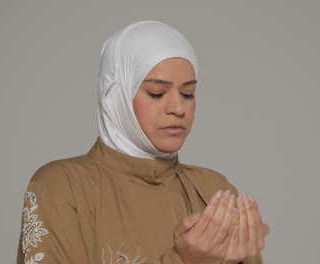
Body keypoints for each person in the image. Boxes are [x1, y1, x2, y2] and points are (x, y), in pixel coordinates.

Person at [16, 21, 270, 264]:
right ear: (116, 94)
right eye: (157, 93)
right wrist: (185, 261)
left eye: (187, 94)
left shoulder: (213, 191)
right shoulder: (62, 186)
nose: (178, 108)